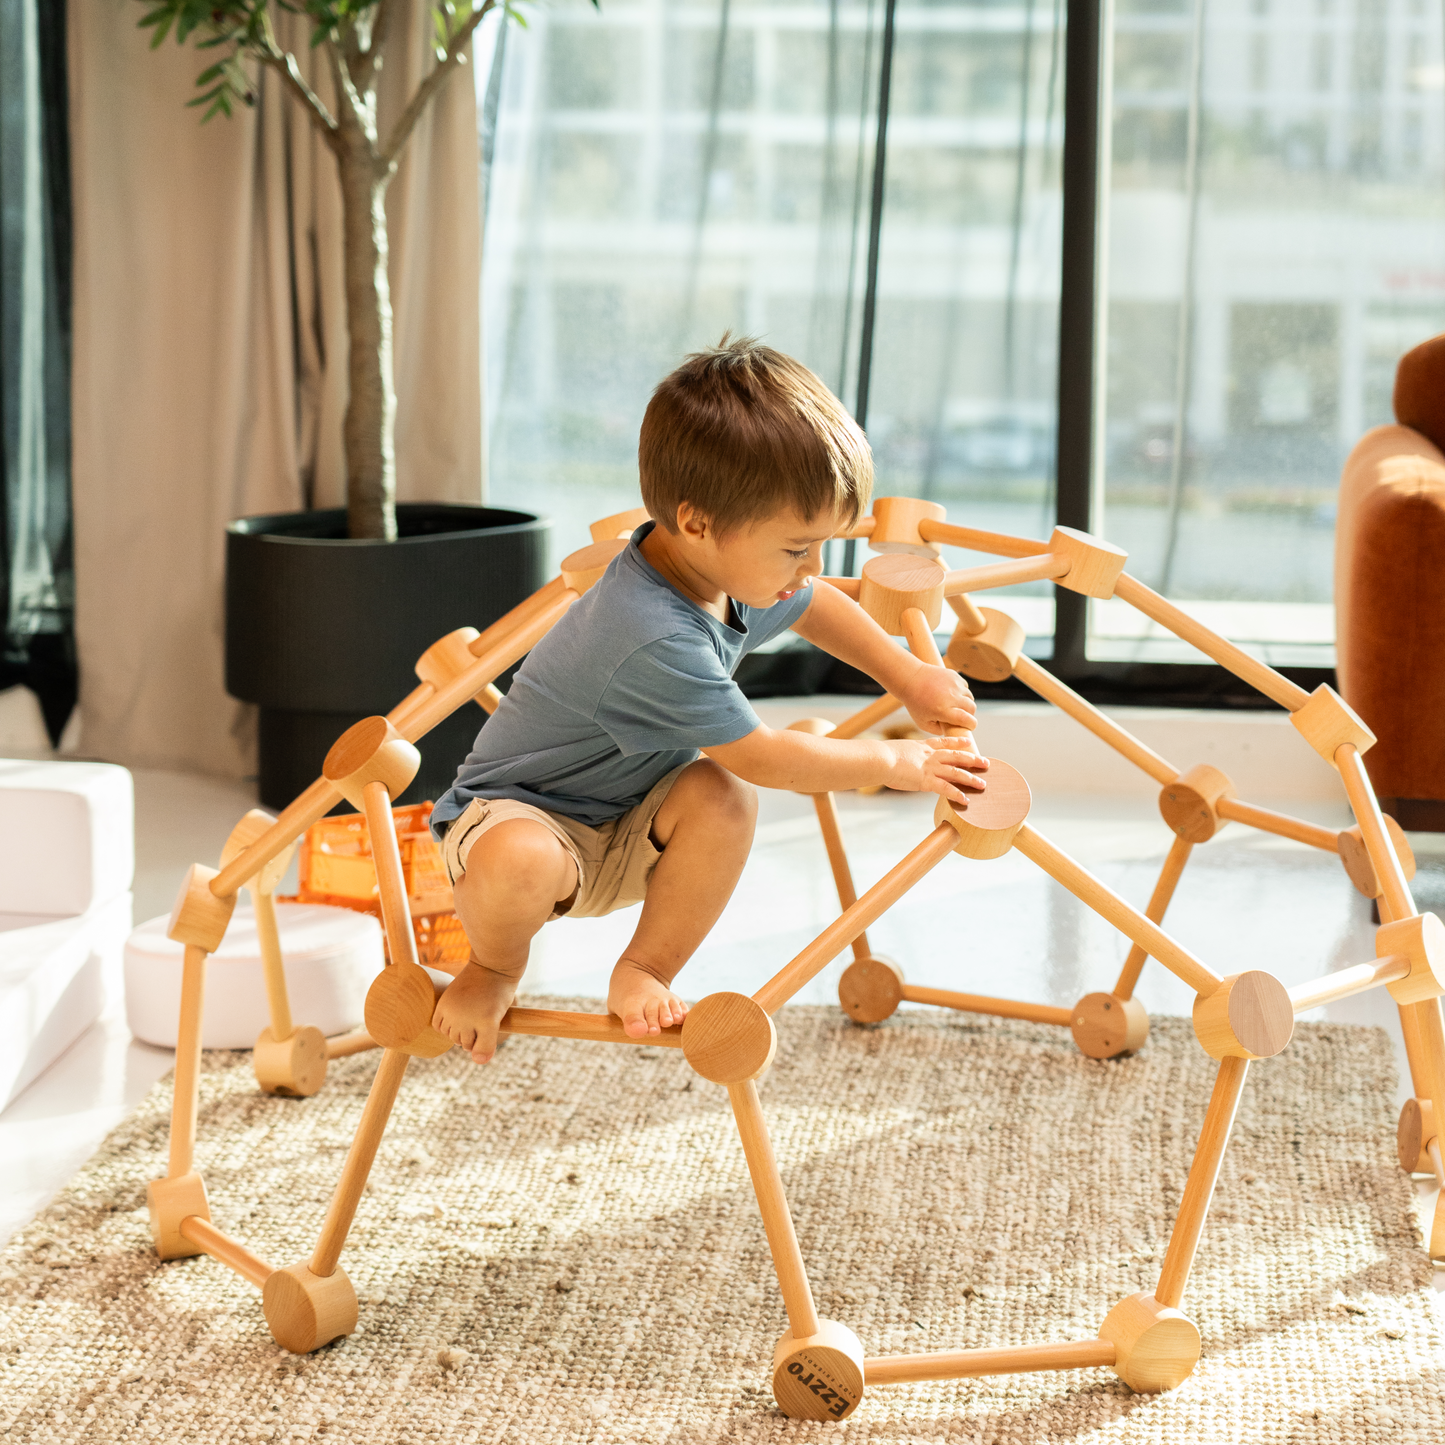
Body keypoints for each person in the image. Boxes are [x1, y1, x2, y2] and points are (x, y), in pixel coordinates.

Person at [429, 336, 987, 1064]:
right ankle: (493, 966)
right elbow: (766, 756)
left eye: (822, 542)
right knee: (525, 857)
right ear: (696, 522)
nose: (812, 567)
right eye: (795, 546)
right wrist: (900, 763)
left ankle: (645, 966)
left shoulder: (719, 571)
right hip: (516, 819)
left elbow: (814, 603)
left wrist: (907, 677)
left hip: (627, 819)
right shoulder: (649, 633)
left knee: (719, 797)